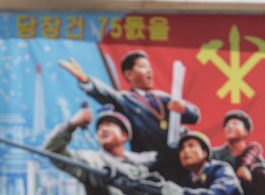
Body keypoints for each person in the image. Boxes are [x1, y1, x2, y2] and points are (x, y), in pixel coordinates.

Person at [43, 106, 174, 195]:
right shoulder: (92, 162)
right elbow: (52, 150)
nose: (103, 129)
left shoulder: (144, 164)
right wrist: (72, 124)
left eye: (110, 125)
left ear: (124, 135)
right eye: (99, 128)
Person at [60, 50, 200, 182]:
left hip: (179, 164)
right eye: (143, 66)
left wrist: (183, 108)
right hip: (151, 167)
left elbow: (194, 117)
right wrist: (85, 80)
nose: (149, 70)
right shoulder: (125, 101)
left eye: (149, 67)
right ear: (129, 74)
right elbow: (106, 94)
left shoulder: (163, 98)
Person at [212, 109, 264, 187]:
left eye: (235, 123)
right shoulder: (213, 155)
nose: (229, 126)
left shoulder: (257, 160)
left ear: (246, 132)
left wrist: (250, 180)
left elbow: (263, 189)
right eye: (227, 125)